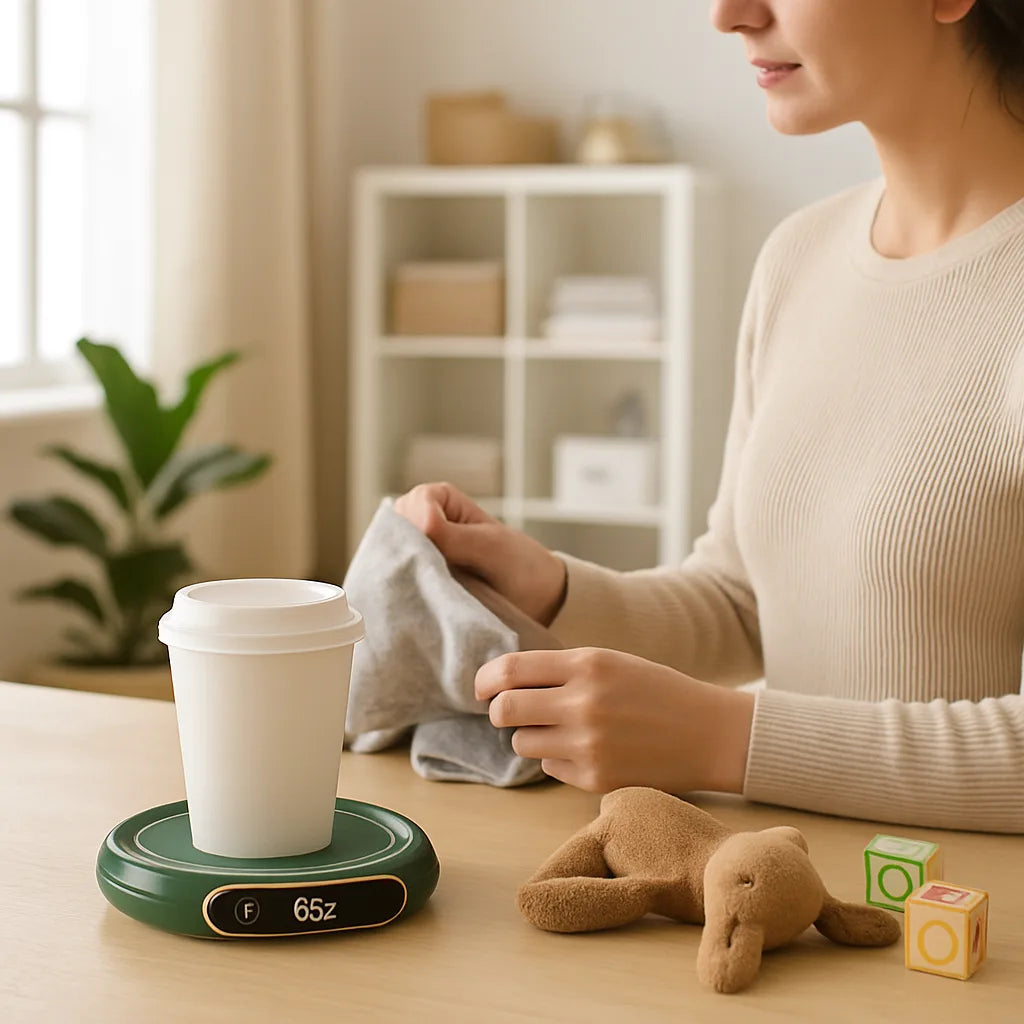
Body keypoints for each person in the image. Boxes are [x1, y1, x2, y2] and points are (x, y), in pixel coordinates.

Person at [394, 0, 1024, 834]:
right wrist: (549, 587)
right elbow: (740, 603)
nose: (730, 14)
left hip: (962, 939)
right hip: (782, 903)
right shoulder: (798, 257)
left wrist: (726, 738)